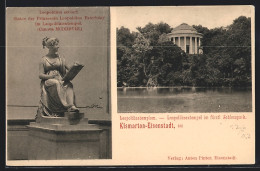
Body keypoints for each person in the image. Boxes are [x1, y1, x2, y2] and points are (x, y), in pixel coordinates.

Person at [36, 37, 79, 119]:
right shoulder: (43, 60)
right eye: (56, 45)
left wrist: (75, 66)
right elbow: (40, 75)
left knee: (69, 84)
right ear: (50, 47)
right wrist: (50, 76)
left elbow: (68, 69)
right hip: (48, 81)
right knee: (56, 83)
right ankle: (65, 105)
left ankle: (72, 106)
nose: (58, 47)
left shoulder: (61, 58)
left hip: (60, 79)